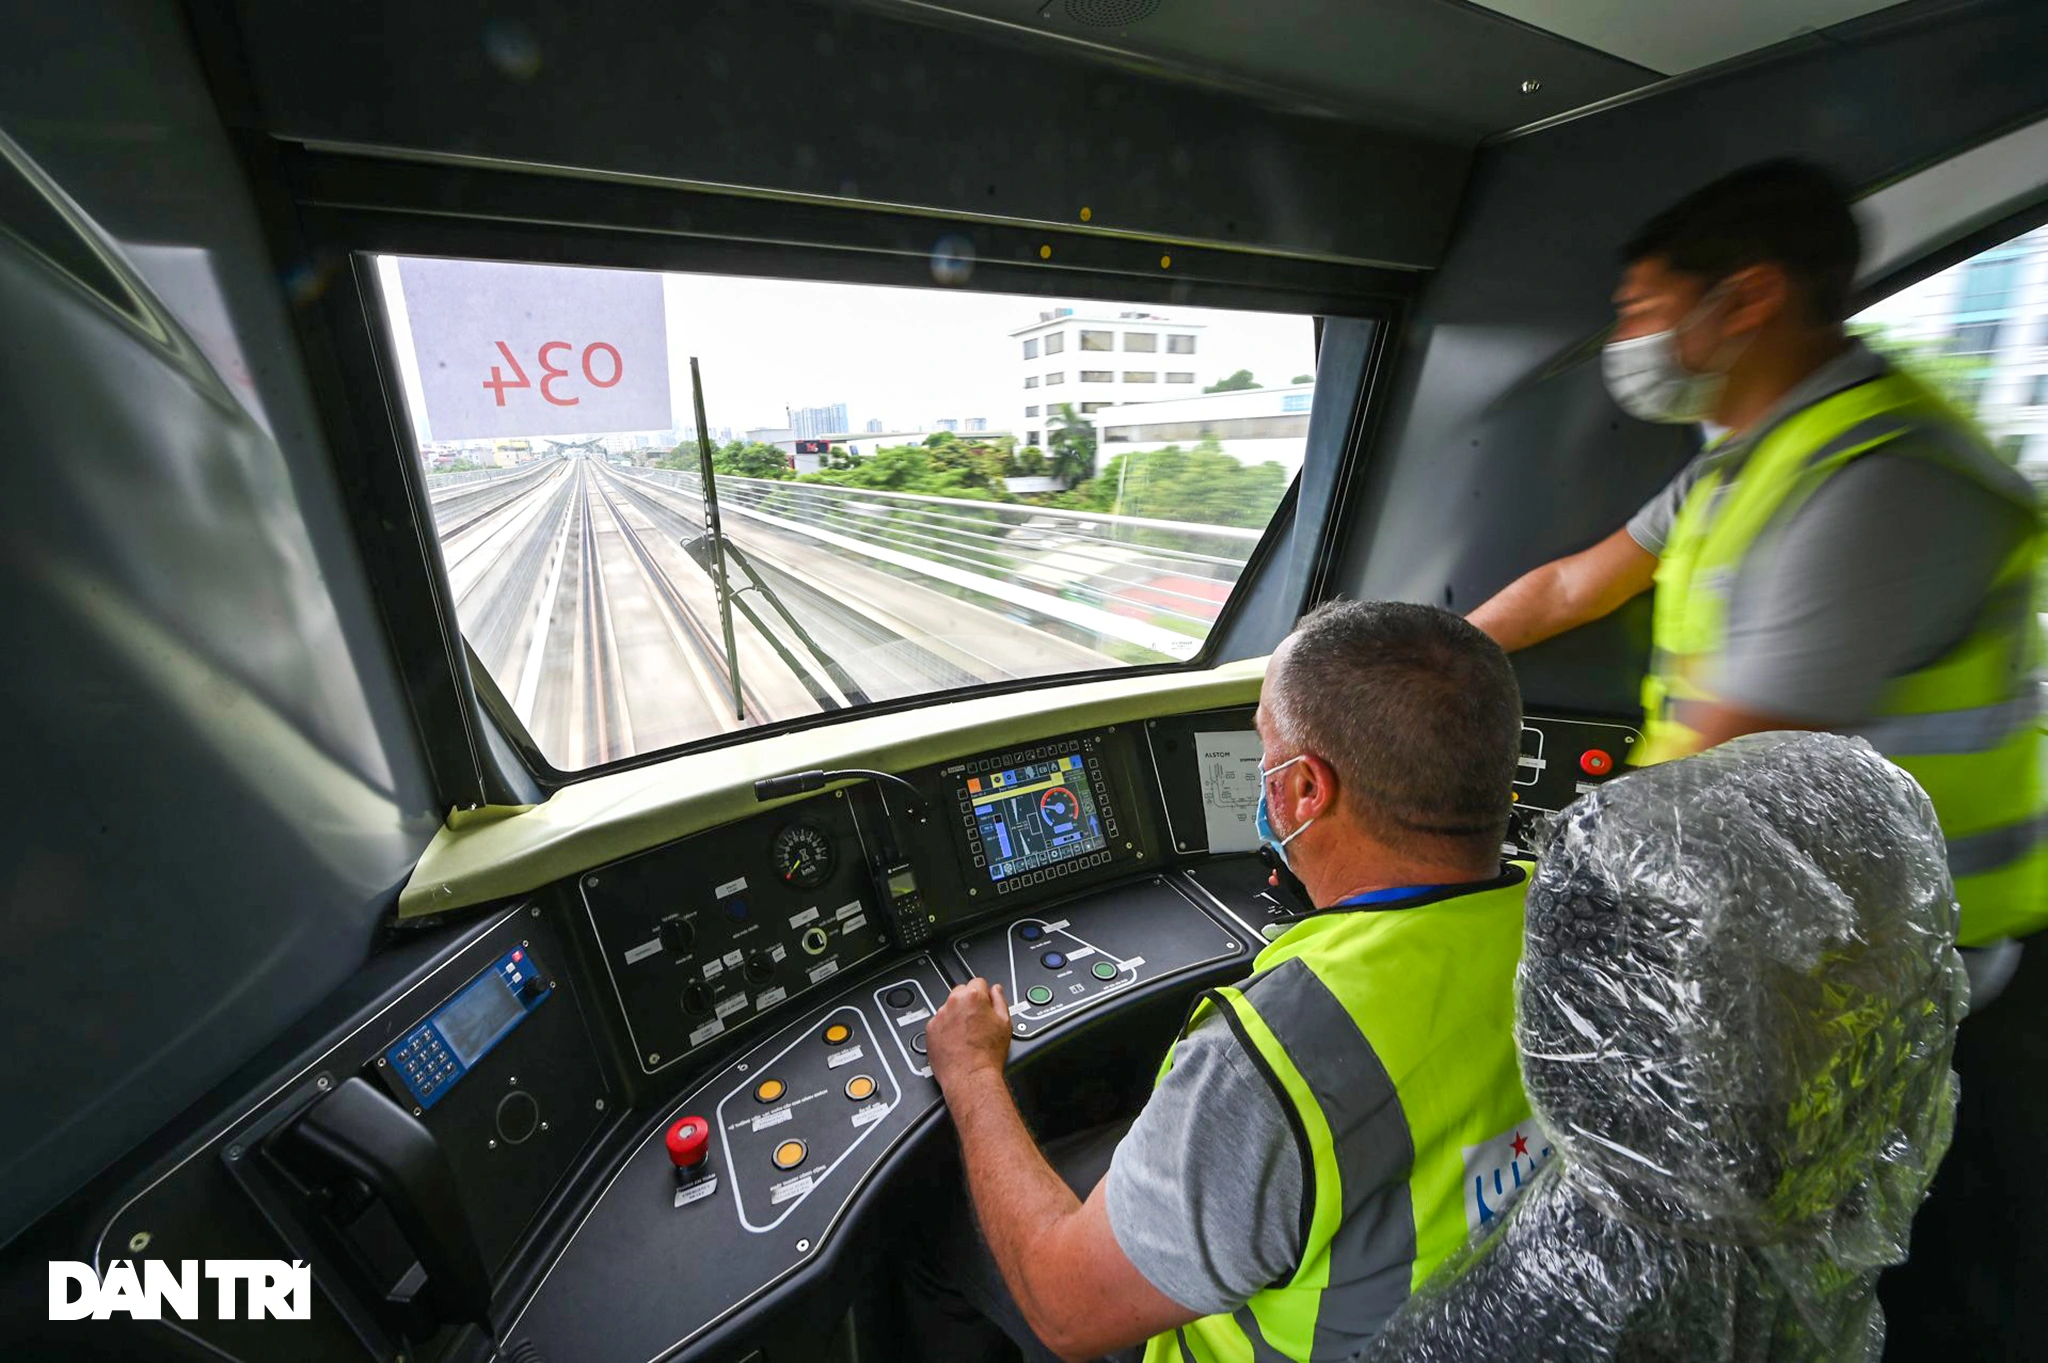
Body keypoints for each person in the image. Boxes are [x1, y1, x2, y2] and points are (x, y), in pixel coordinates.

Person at [910, 600, 1540, 1363]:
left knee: (938, 1216)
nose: (1261, 771)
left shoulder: (1282, 1050)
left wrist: (973, 1071)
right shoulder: (1567, 918)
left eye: (1265, 748)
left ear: (1306, 790)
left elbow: (1063, 1309)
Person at [1466, 159, 2046, 969]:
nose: (1627, 343)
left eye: (1641, 312)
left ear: (1747, 298)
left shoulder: (1882, 480)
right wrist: (1429, 660)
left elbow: (1731, 755)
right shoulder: (1740, 466)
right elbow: (1569, 589)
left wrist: (1553, 898)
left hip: (1893, 955)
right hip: (1781, 905)